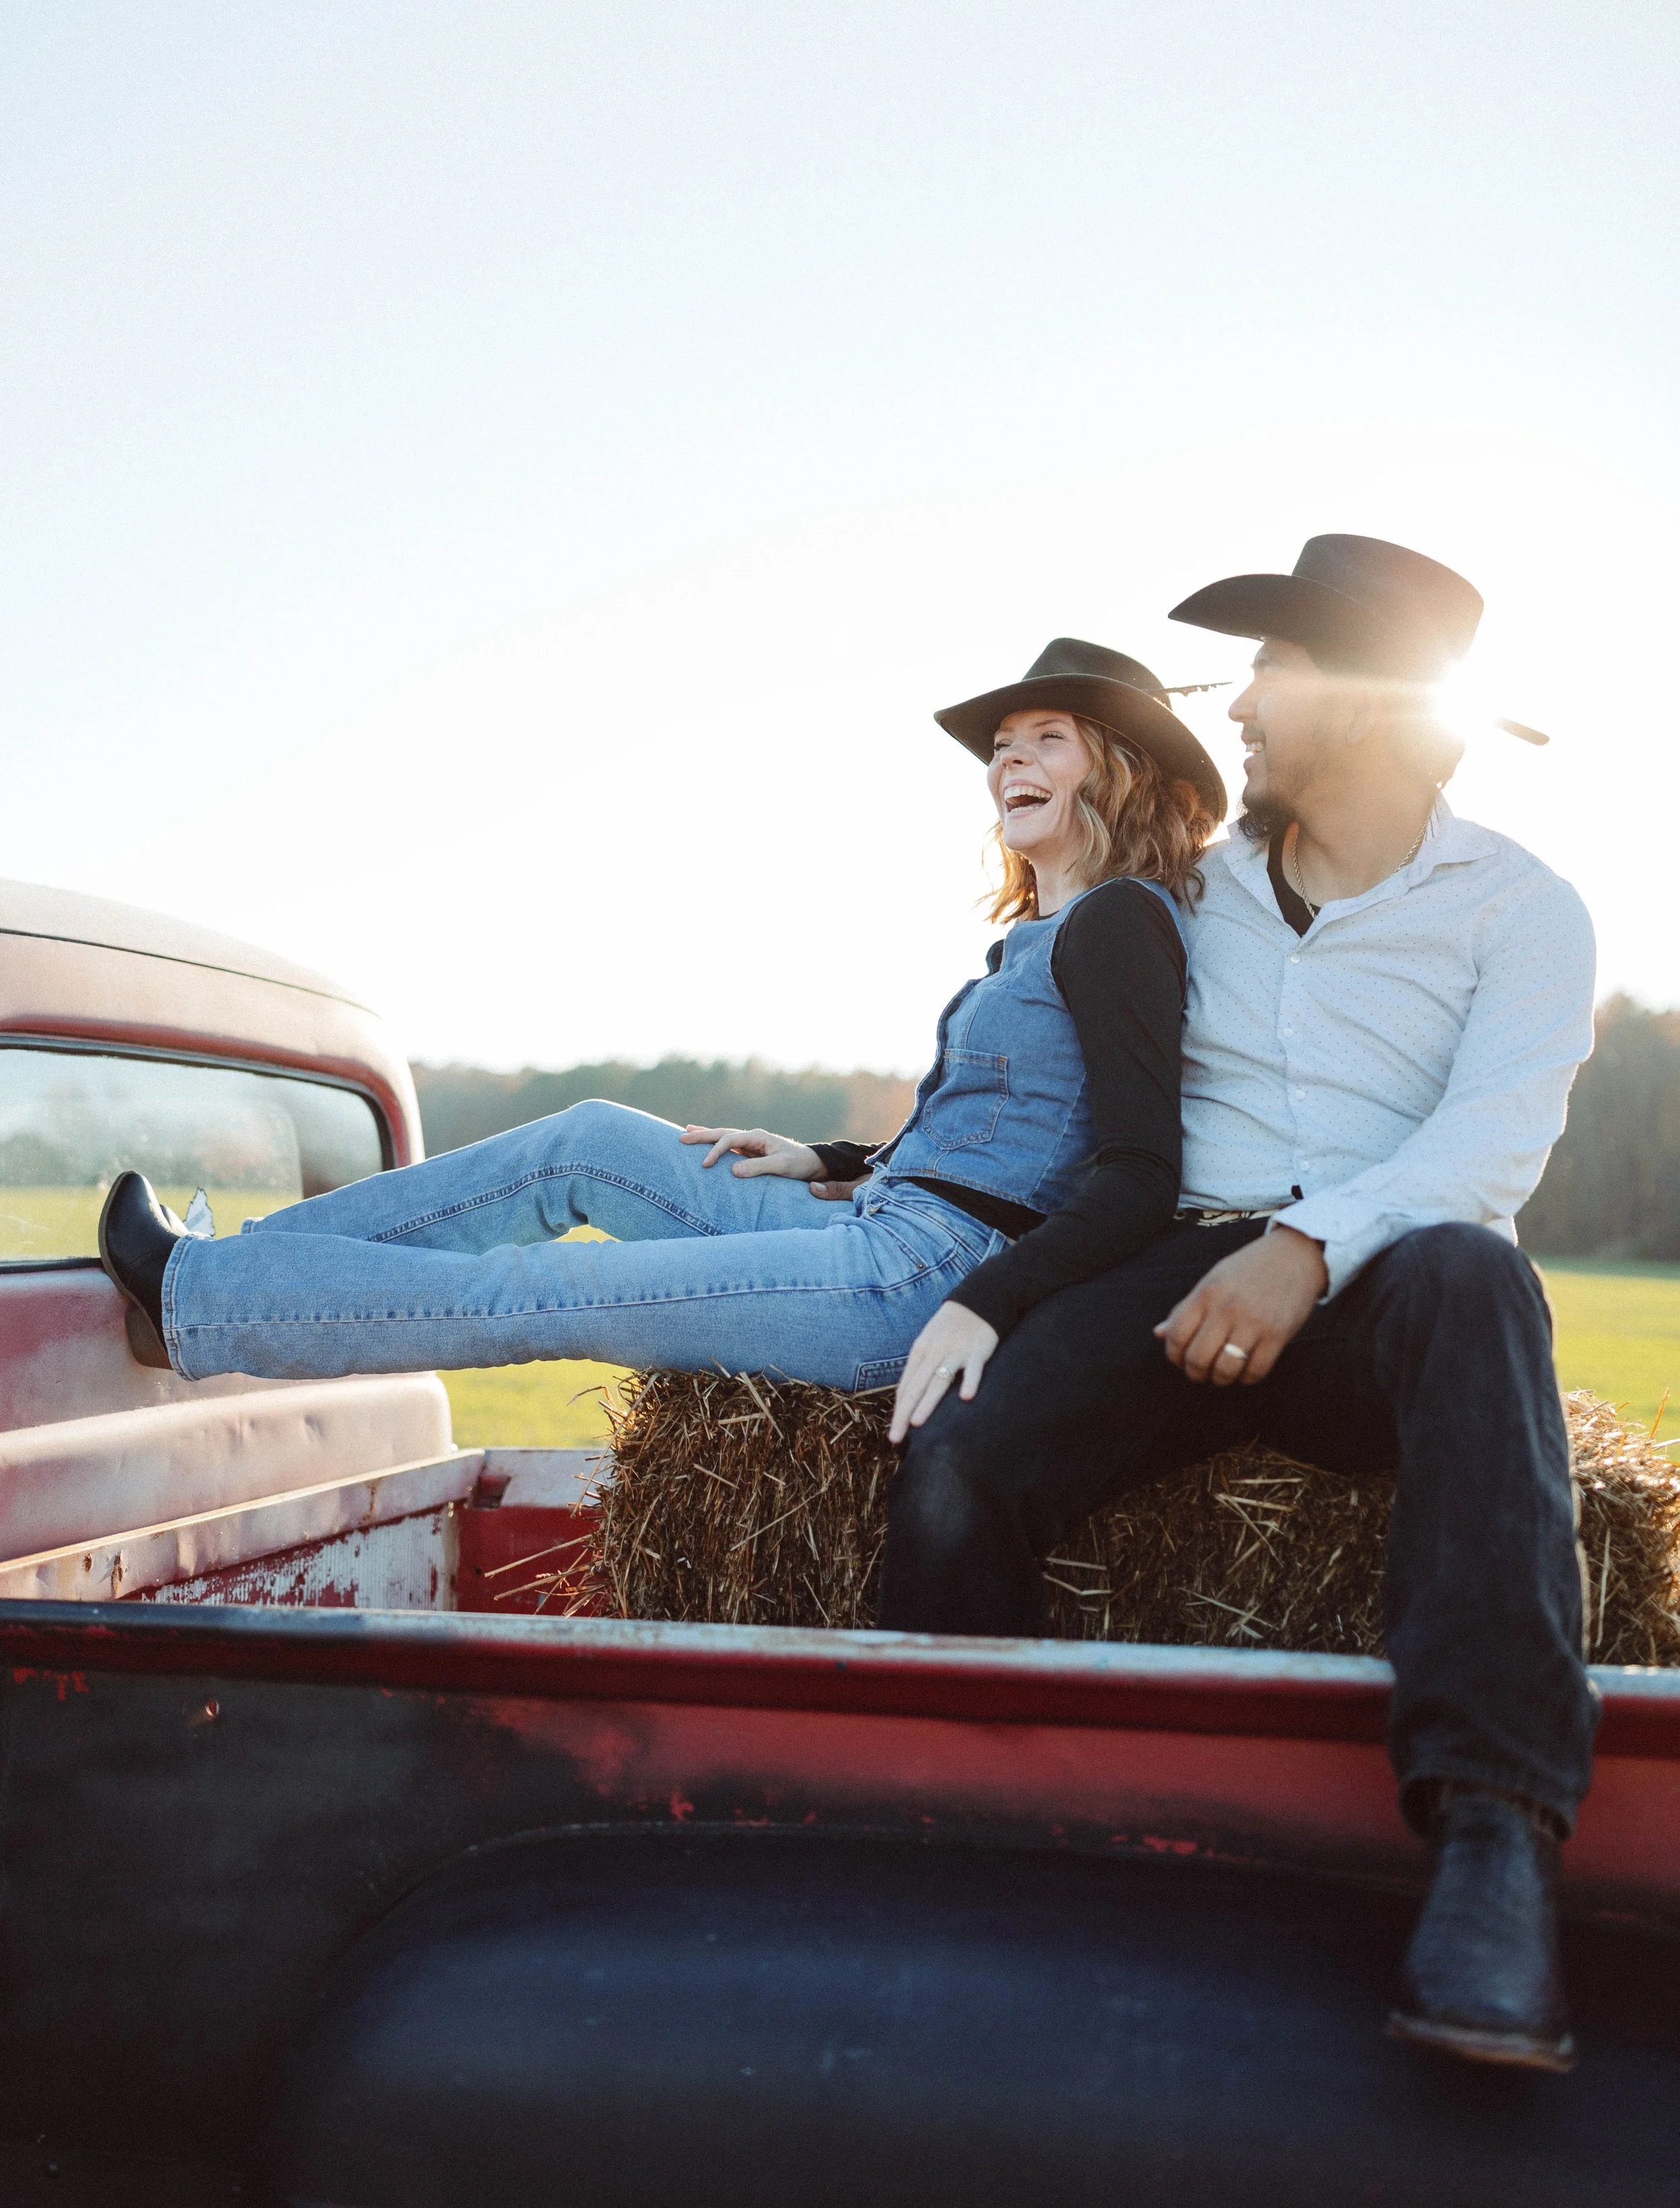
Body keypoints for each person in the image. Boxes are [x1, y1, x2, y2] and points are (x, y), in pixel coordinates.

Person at [878, 536, 1597, 2075]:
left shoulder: (1519, 910)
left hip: (1382, 1283)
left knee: (1481, 1281)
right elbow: (1048, 1079)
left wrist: (1309, 1249)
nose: (1242, 707)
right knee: (950, 1455)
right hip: (1167, 1264)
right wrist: (845, 1163)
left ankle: (1491, 1844)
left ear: (1373, 702)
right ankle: (979, 1847)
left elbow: (1488, 1147)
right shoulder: (1177, 895)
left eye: (1272, 670)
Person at [97, 639, 1220, 1410]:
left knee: (548, 1290)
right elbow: (1010, 1134)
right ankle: (220, 1278)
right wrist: (827, 1157)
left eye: (1046, 739)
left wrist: (982, 1302)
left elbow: (1131, 1174)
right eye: (1002, 743)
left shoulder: (1122, 923)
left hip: (916, 1280)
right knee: (581, 1140)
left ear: (1119, 770)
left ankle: (199, 1302)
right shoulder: (1053, 927)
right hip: (881, 1225)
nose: (1008, 759)